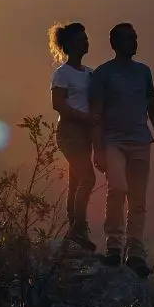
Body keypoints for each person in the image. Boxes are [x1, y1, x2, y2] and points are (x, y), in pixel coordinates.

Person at [89, 22, 154, 277]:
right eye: (129, 38)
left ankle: (134, 253)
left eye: (135, 38)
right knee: (117, 190)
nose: (134, 42)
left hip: (140, 142)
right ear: (115, 43)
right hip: (113, 142)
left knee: (138, 199)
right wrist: (98, 149)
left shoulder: (143, 72)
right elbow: (96, 115)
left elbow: (153, 109)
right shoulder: (103, 74)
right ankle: (114, 248)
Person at [48, 22, 98, 251]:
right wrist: (86, 118)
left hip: (85, 134)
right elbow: (58, 104)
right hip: (69, 131)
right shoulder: (62, 73)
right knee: (88, 179)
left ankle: (75, 230)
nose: (85, 42)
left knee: (76, 181)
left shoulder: (90, 73)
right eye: (80, 40)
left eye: (86, 39)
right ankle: (78, 229)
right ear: (69, 45)